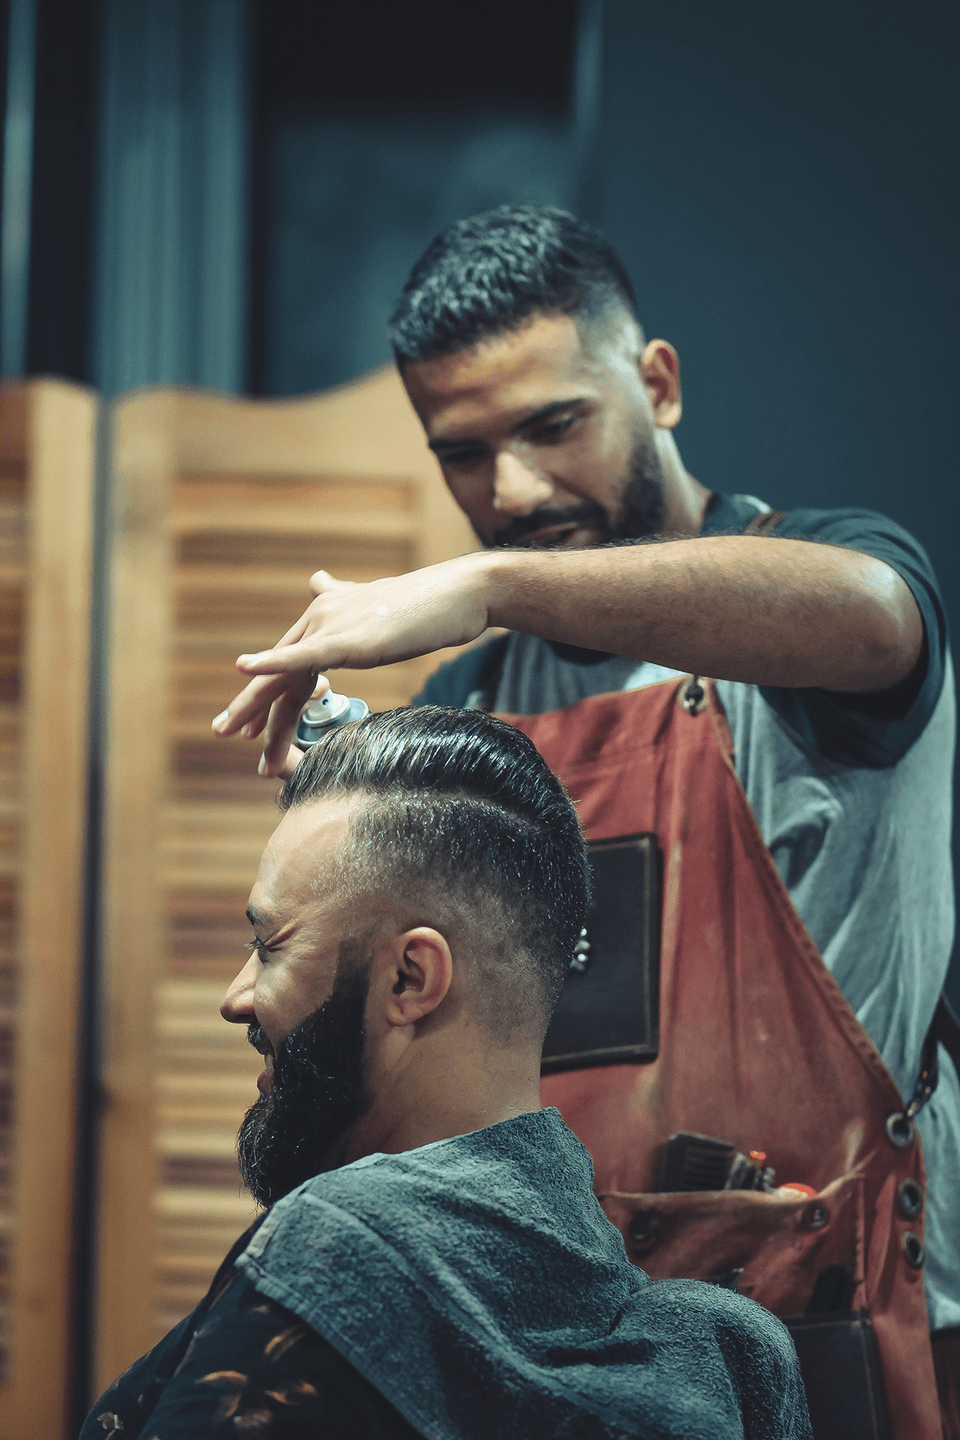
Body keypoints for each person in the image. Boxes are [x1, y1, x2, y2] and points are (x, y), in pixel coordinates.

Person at [212, 207, 960, 1437]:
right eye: (463, 454)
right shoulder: (481, 706)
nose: (511, 490)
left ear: (656, 383)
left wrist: (487, 584)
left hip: (840, 1334)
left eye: (554, 426)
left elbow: (880, 615)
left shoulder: (822, 590)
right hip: (569, 1345)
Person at [81, 707, 809, 1440]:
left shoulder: (341, 1248)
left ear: (409, 977)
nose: (235, 997)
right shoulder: (723, 1355)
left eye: (270, 946)